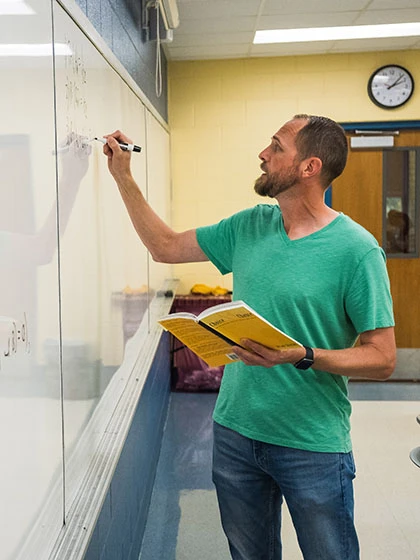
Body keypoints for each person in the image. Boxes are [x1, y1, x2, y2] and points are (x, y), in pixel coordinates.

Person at [102, 114, 396, 560]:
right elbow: (165, 247)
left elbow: (382, 358)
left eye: (276, 147)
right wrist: (123, 177)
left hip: (311, 444)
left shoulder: (357, 251)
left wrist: (303, 354)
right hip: (236, 432)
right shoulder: (250, 226)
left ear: (309, 167)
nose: (263, 154)